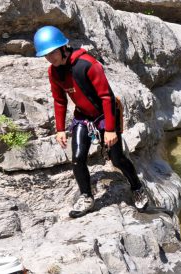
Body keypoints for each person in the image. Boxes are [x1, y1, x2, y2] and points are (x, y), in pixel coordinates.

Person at [34, 26, 149, 216]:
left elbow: (107, 98)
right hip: (83, 116)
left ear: (63, 48)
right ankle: (86, 196)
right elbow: (59, 100)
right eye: (46, 55)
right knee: (78, 159)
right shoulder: (54, 72)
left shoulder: (87, 64)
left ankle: (137, 188)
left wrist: (110, 129)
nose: (50, 58)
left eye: (53, 52)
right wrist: (60, 129)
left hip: (106, 114)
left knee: (117, 158)